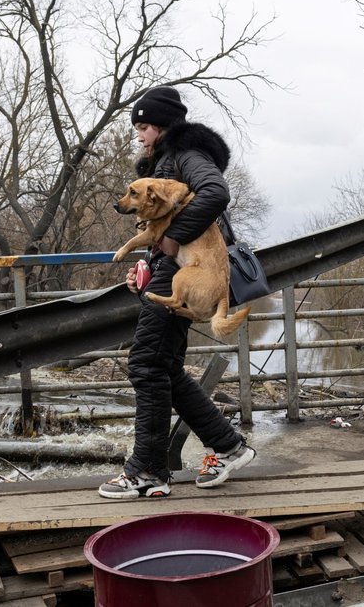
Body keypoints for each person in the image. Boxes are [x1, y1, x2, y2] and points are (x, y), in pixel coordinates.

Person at [99, 86, 255, 499]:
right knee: (162, 366)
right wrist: (147, 263)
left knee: (147, 364)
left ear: (164, 125)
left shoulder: (187, 154)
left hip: (187, 271)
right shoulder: (162, 165)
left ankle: (148, 470)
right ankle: (227, 445)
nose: (138, 134)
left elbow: (216, 194)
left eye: (145, 126)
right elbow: (160, 231)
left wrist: (171, 243)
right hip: (172, 270)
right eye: (136, 127)